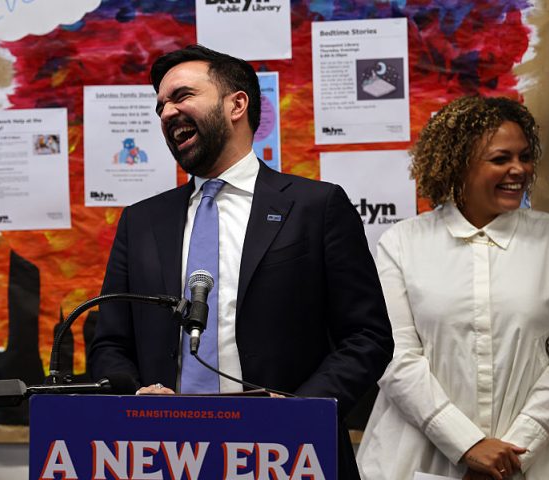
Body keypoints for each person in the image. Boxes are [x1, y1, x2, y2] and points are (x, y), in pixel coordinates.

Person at [88, 44, 394, 478]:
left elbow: (367, 335)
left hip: (289, 453)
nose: (166, 113)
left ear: (237, 104)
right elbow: (110, 344)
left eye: (181, 96)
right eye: (160, 106)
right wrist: (138, 393)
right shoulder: (141, 222)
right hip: (165, 457)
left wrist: (300, 413)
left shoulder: (315, 206)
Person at [356, 96, 549, 480]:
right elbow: (396, 356)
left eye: (524, 156)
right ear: (459, 165)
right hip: (419, 456)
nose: (518, 169)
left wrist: (511, 453)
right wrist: (467, 443)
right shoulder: (404, 242)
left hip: (538, 458)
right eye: (501, 159)